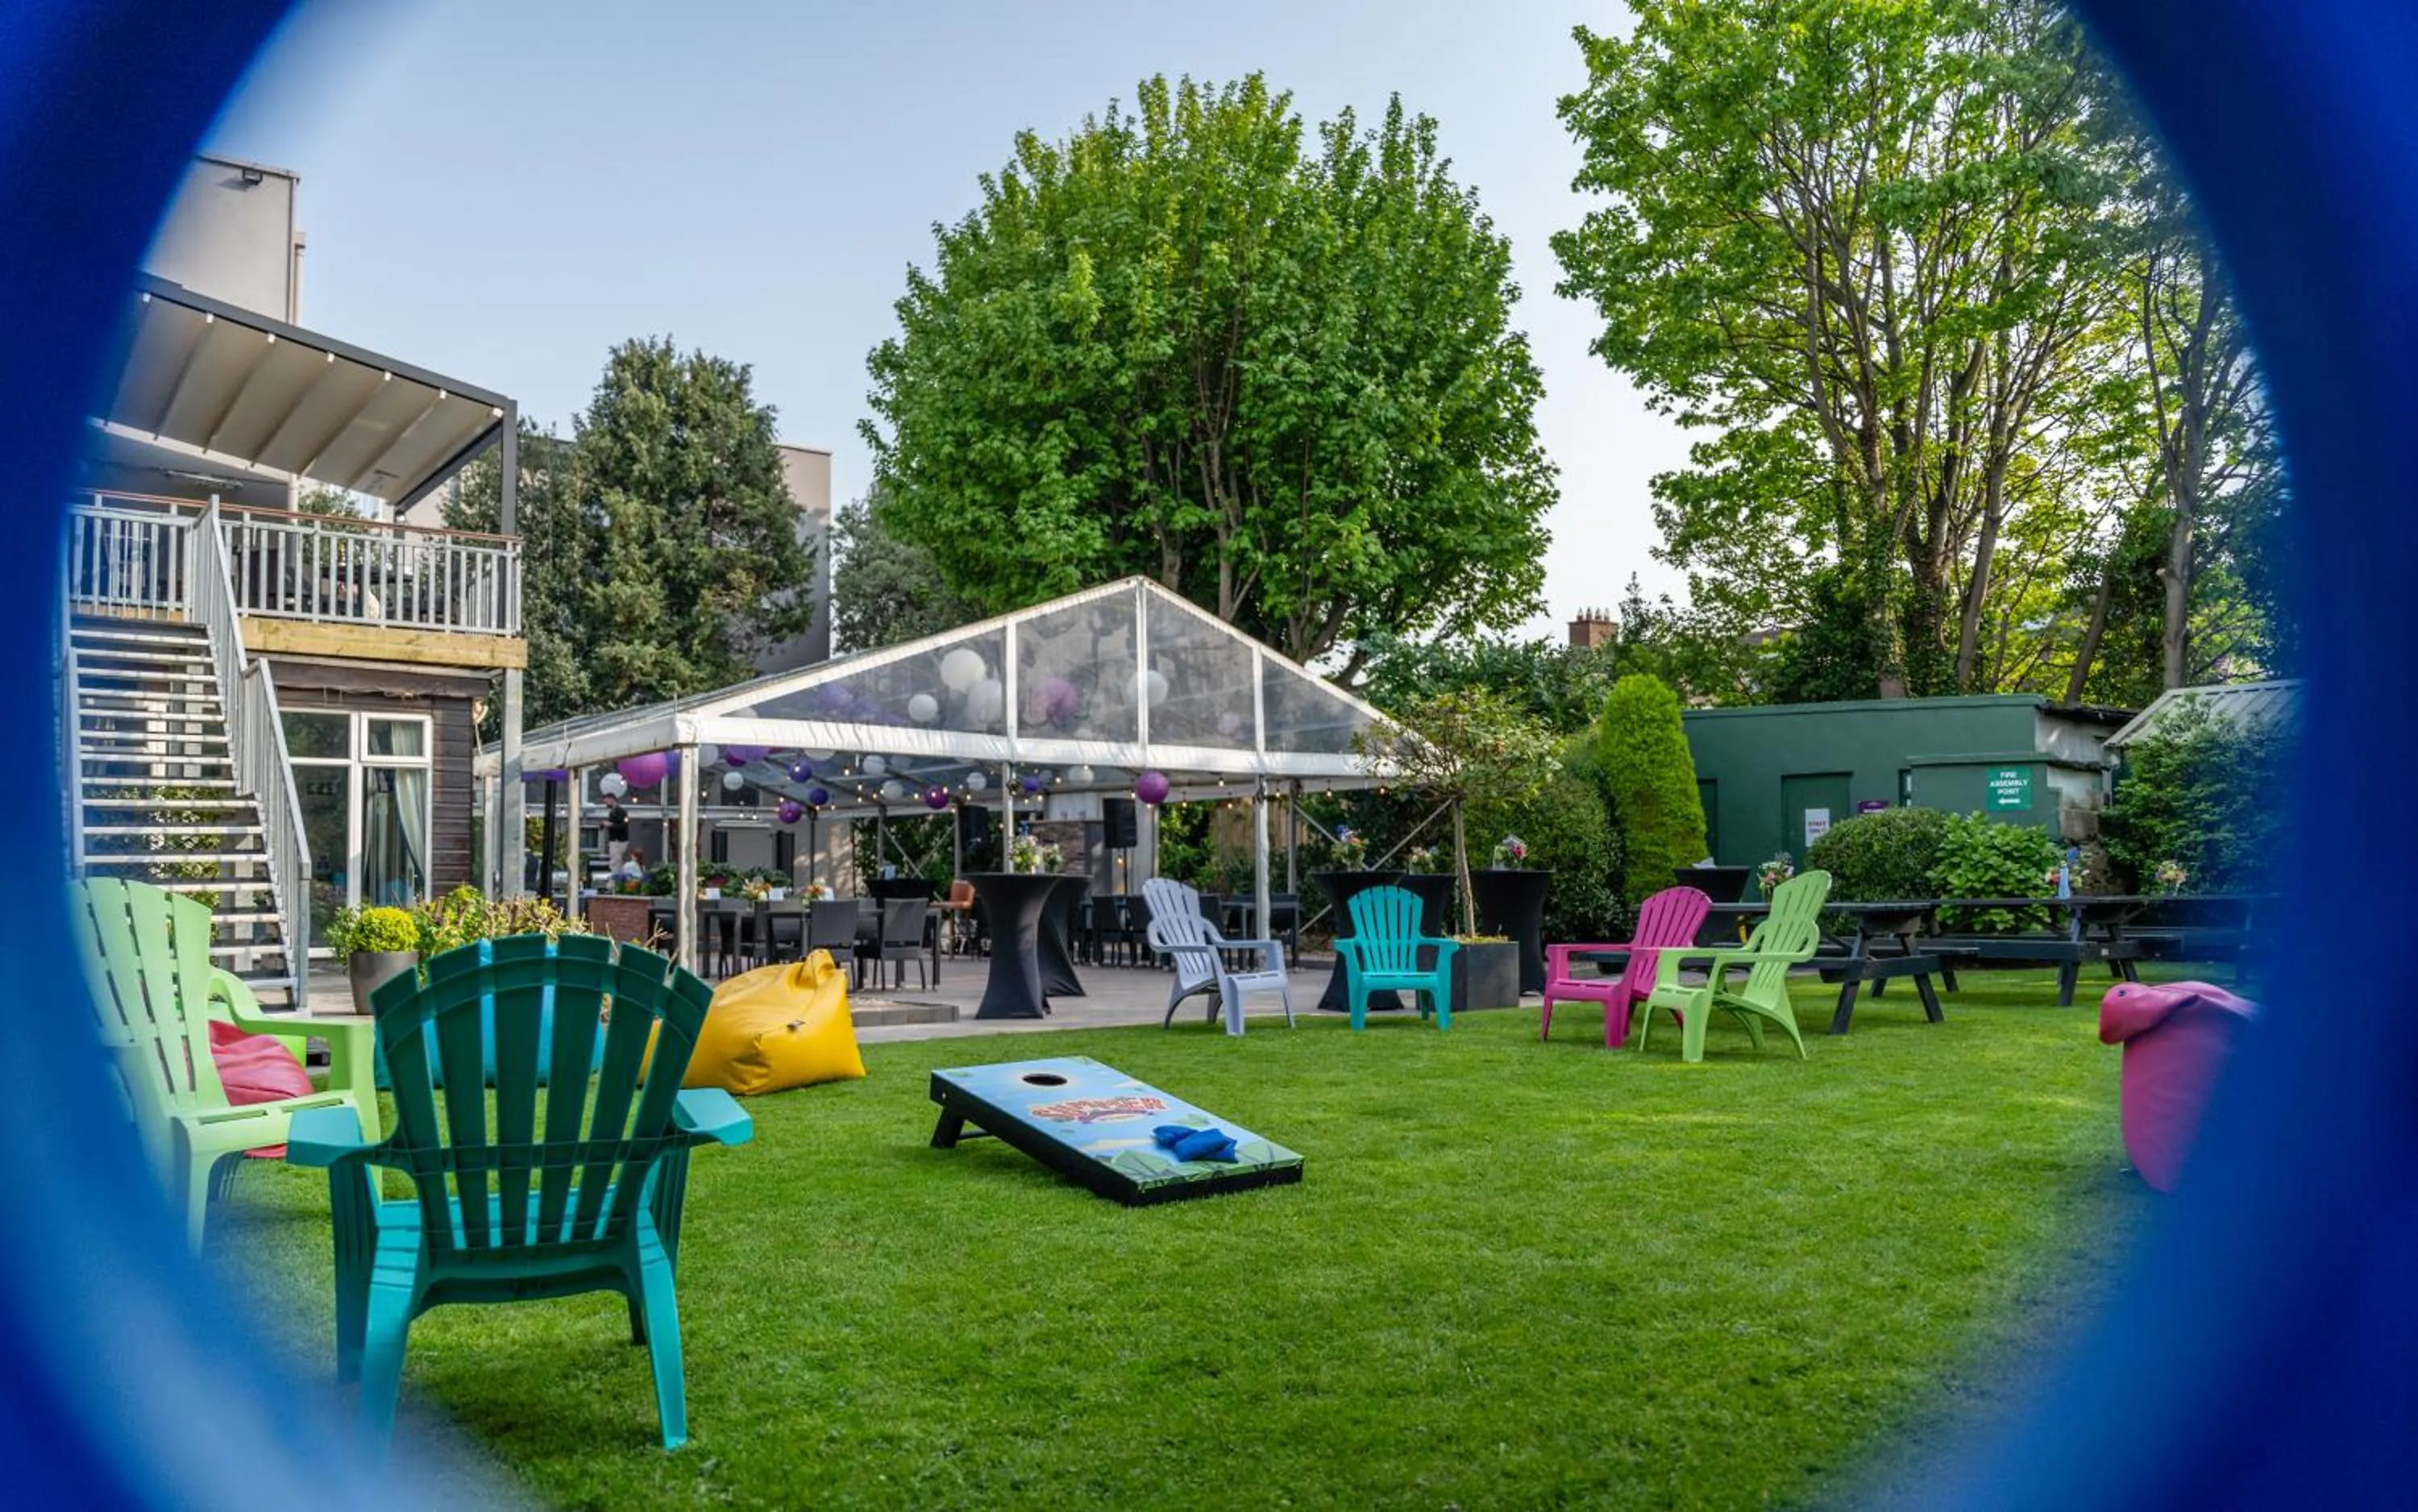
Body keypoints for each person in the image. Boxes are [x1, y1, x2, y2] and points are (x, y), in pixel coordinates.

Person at [604, 795, 631, 873]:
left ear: (612, 799)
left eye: (606, 801)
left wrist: (611, 825)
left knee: (615, 862)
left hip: (618, 840)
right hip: (616, 840)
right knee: (617, 861)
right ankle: (618, 877)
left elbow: (623, 825)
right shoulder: (613, 812)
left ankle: (615, 878)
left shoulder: (621, 812)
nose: (606, 804)